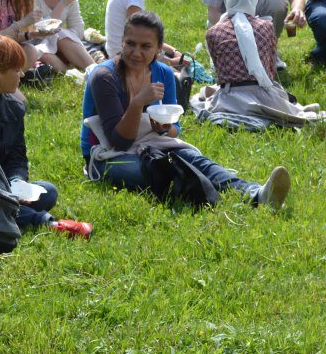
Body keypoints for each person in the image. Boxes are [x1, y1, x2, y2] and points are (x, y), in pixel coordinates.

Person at [81, 11, 291, 208]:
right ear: (122, 42)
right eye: (130, 44)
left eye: (145, 46)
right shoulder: (104, 77)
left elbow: (175, 130)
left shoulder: (163, 74)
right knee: (163, 168)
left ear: (159, 48)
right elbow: (119, 142)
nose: (136, 53)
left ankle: (256, 193)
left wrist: (164, 128)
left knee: (195, 160)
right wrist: (137, 103)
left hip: (152, 144)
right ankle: (199, 187)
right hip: (106, 155)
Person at [0, 35, 93, 237]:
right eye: (16, 70)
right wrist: (0, 191)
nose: (22, 74)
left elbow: (17, 156)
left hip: (3, 189)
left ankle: (7, 213)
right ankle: (47, 222)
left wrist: (17, 181)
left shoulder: (12, 107)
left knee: (48, 192)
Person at [197, 0, 321, 126]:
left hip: (228, 98)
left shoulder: (213, 32)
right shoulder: (266, 26)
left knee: (200, 96)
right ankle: (290, 109)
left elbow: (219, 71)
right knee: (282, 103)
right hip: (262, 94)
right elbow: (270, 69)